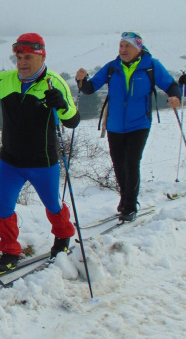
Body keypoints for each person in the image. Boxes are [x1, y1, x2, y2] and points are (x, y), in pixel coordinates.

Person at [0, 33, 80, 274]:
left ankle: (63, 238)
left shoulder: (55, 83)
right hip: (10, 161)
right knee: (4, 210)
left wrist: (61, 104)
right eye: (19, 56)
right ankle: (10, 251)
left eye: (28, 57)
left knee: (53, 205)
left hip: (43, 162)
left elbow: (72, 121)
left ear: (42, 56)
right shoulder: (6, 80)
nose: (22, 62)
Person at [76, 32, 180, 222]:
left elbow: (171, 85)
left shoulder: (151, 66)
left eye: (127, 46)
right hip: (115, 125)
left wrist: (175, 97)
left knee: (131, 163)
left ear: (138, 48)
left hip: (139, 123)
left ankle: (130, 206)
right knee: (119, 165)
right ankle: (125, 199)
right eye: (121, 46)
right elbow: (89, 89)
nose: (123, 50)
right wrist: (81, 80)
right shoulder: (112, 67)